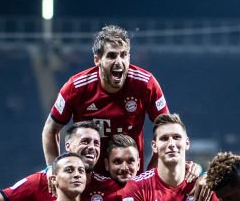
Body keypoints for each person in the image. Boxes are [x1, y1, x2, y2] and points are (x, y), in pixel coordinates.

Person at [42, 25, 168, 174]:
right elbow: (50, 130)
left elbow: (167, 130)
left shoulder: (146, 84)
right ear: (97, 60)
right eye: (112, 55)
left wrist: (150, 173)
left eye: (124, 54)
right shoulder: (75, 87)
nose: (119, 62)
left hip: (129, 180)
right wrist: (54, 172)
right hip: (88, 181)